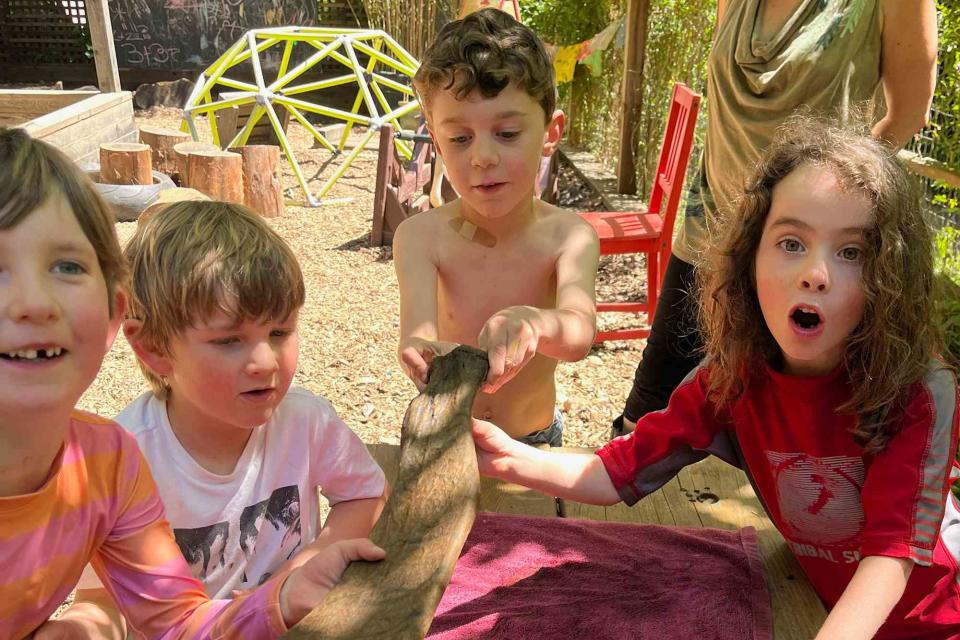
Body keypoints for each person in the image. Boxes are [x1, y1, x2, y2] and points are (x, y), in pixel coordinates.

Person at [472, 122, 960, 639]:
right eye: (791, 242)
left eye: (852, 252)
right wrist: (506, 456)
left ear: (888, 276)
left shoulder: (918, 391)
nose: (816, 272)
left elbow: (891, 555)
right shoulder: (731, 378)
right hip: (810, 599)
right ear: (750, 258)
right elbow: (620, 470)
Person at [0, 128, 385, 640]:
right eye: (228, 340)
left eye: (66, 266)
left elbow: (176, 621)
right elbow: (107, 605)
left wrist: (284, 595)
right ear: (151, 348)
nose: (34, 301)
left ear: (113, 316)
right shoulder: (135, 446)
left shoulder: (107, 465)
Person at [614, 0, 939, 437]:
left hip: (806, 260)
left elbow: (906, 116)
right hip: (710, 239)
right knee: (645, 422)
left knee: (790, 444)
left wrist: (828, 195)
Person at [395, 8, 600, 446]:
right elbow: (417, 333)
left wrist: (535, 323)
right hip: (447, 439)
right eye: (460, 138)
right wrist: (418, 354)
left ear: (550, 131)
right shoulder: (419, 238)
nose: (483, 157)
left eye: (506, 133)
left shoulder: (569, 236)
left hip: (533, 442)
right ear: (435, 140)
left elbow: (579, 333)